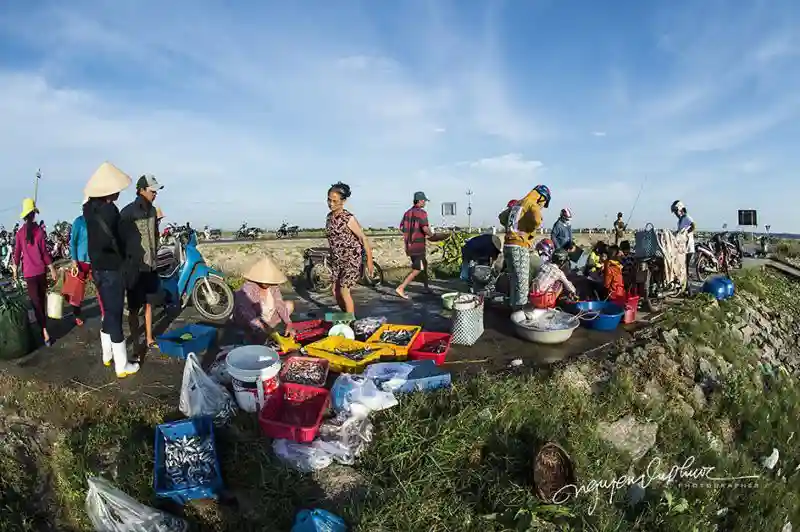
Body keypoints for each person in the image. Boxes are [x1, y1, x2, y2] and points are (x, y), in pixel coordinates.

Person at [83, 162, 140, 377]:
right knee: (115, 315)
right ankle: (122, 365)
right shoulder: (111, 212)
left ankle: (107, 355)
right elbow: (121, 240)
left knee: (108, 311)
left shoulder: (89, 210)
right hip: (112, 270)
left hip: (97, 270)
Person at [120, 174, 164, 352]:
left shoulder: (153, 211)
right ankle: (136, 342)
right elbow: (120, 240)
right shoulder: (128, 213)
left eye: (156, 191)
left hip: (151, 266)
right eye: (152, 190)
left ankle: (149, 338)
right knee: (133, 307)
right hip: (135, 269)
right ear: (141, 190)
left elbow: (155, 235)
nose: (155, 194)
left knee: (149, 303)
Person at [11, 199, 58, 346]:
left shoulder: (19, 233)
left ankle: (44, 330)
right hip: (41, 272)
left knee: (36, 303)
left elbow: (16, 254)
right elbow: (44, 253)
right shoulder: (39, 231)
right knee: (41, 301)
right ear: (34, 215)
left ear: (25, 216)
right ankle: (44, 328)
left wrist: (14, 271)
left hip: (29, 274)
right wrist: (52, 268)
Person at [325, 182, 374, 314]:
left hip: (351, 260)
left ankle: (349, 323)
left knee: (344, 290)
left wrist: (369, 261)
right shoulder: (329, 218)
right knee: (334, 292)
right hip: (337, 261)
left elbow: (363, 238)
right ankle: (346, 316)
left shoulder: (348, 218)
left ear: (343, 201)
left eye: (335, 201)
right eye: (329, 200)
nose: (331, 204)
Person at [502, 185, 551, 311]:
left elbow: (502, 217)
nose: (542, 206)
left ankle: (513, 310)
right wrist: (528, 229)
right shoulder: (531, 204)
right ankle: (520, 316)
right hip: (519, 246)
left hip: (508, 245)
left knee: (514, 280)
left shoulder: (518, 203)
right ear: (541, 197)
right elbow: (537, 220)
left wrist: (513, 228)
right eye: (544, 203)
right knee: (522, 284)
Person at [232, 256, 296, 344]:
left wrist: (289, 323)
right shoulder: (249, 288)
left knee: (289, 304)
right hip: (251, 319)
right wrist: (260, 326)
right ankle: (254, 333)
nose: (268, 284)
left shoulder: (273, 287)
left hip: (268, 317)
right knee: (258, 335)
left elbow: (279, 303)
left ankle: (269, 328)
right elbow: (247, 313)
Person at [69, 197, 102, 326]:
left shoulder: (96, 221)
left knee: (100, 287)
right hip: (81, 261)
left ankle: (104, 312)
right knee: (77, 290)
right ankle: (77, 314)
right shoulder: (78, 222)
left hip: (94, 260)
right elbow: (73, 242)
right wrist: (74, 261)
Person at [396, 191, 432, 299]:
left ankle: (426, 287)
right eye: (424, 200)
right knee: (418, 268)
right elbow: (425, 228)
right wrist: (433, 236)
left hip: (410, 245)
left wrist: (411, 233)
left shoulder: (407, 213)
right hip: (418, 246)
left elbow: (402, 227)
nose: (425, 202)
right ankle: (401, 288)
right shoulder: (422, 213)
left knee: (424, 264)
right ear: (420, 201)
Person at [671, 200, 696, 285]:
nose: (675, 214)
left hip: (688, 247)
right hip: (682, 248)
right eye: (674, 212)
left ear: (681, 209)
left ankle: (689, 288)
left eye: (676, 211)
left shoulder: (686, 217)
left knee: (686, 268)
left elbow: (693, 226)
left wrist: (685, 233)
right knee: (682, 268)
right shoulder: (680, 221)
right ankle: (684, 285)